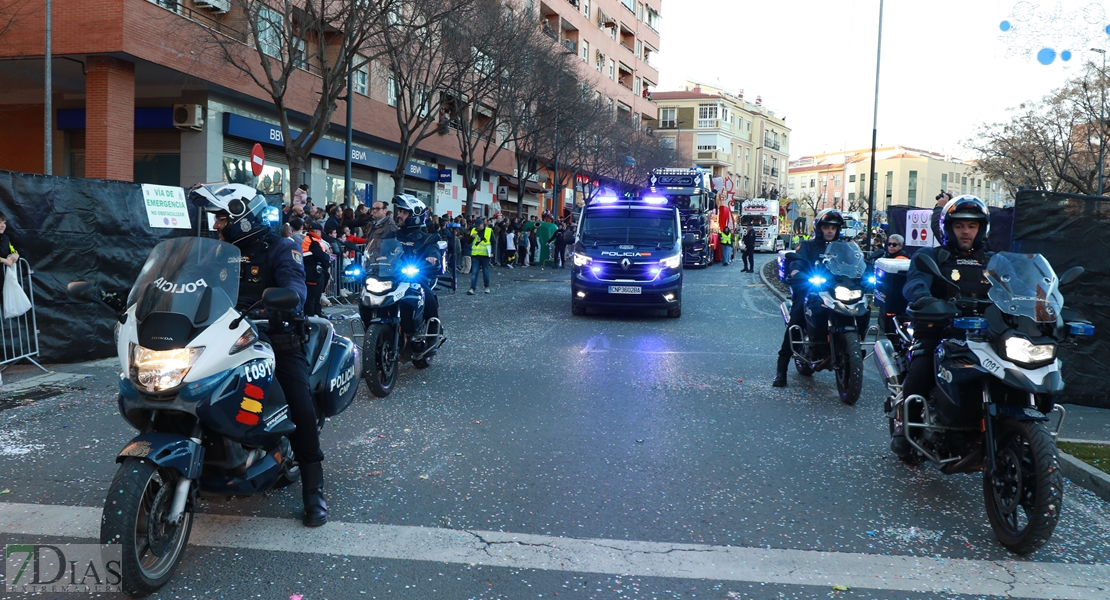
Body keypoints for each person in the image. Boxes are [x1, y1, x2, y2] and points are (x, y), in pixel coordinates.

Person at [189, 183, 328, 527]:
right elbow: (192, 280)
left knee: (300, 407)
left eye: (221, 218)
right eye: (216, 219)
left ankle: (313, 490)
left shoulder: (281, 248)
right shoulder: (218, 252)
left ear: (243, 218)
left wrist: (286, 301)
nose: (216, 225)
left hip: (276, 340)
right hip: (226, 339)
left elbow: (294, 285)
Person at [894, 195, 993, 456]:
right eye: (959, 225)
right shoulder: (931, 256)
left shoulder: (994, 261)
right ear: (948, 228)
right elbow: (915, 282)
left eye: (972, 226)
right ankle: (907, 429)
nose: (966, 231)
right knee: (922, 370)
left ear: (981, 229)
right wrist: (924, 298)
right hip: (940, 331)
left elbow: (1019, 287)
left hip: (988, 335)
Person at [773, 209, 846, 388]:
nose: (830, 231)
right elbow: (798, 260)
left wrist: (866, 273)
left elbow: (854, 263)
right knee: (797, 318)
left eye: (833, 228)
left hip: (836, 290)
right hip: (810, 288)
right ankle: (781, 371)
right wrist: (796, 271)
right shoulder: (807, 246)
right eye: (826, 227)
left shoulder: (844, 247)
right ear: (819, 228)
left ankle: (849, 348)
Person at [385, 194, 443, 338]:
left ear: (415, 216)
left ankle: (432, 330)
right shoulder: (391, 236)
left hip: (415, 278)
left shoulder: (426, 238)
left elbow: (433, 251)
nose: (399, 215)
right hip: (391, 277)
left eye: (404, 212)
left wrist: (433, 258)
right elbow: (377, 252)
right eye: (400, 212)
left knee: (427, 295)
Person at [468, 217, 492, 294]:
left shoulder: (489, 231)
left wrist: (493, 253)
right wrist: (471, 237)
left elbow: (494, 242)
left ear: (482, 224)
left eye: (478, 226)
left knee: (485, 272)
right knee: (474, 272)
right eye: (476, 226)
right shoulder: (473, 230)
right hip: (475, 255)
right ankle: (472, 288)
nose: (477, 227)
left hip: (485, 255)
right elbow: (468, 241)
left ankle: (487, 287)